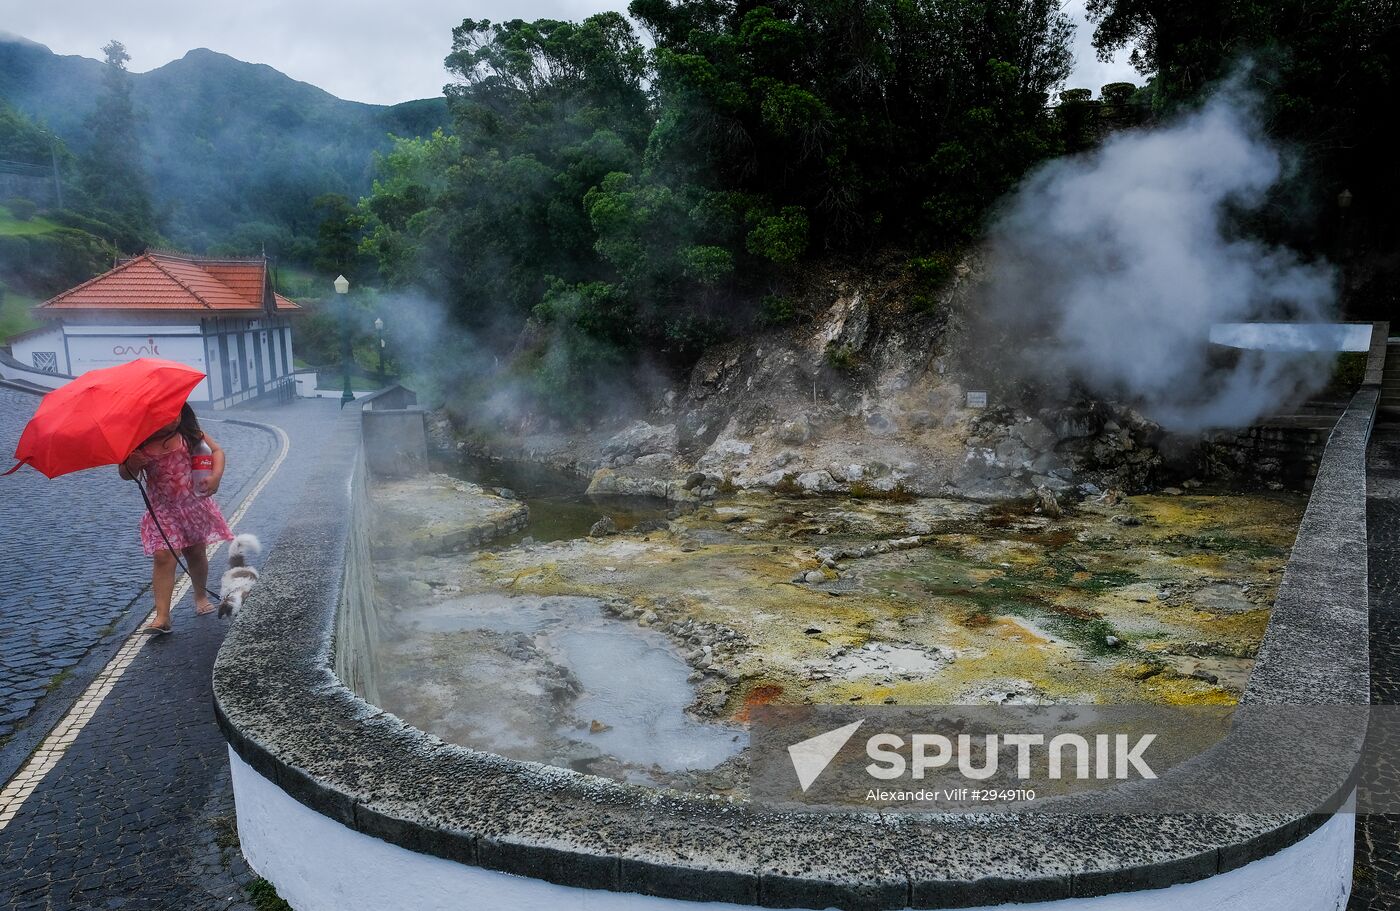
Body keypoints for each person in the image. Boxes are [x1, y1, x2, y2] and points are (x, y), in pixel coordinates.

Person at [118, 404, 233, 634]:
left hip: (193, 506)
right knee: (163, 556)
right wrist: (132, 464)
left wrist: (216, 477)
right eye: (164, 416)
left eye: (175, 413)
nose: (172, 419)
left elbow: (217, 451)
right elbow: (125, 473)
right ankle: (162, 617)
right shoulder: (139, 446)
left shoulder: (189, 436)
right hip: (163, 511)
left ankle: (200, 595)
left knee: (196, 552)